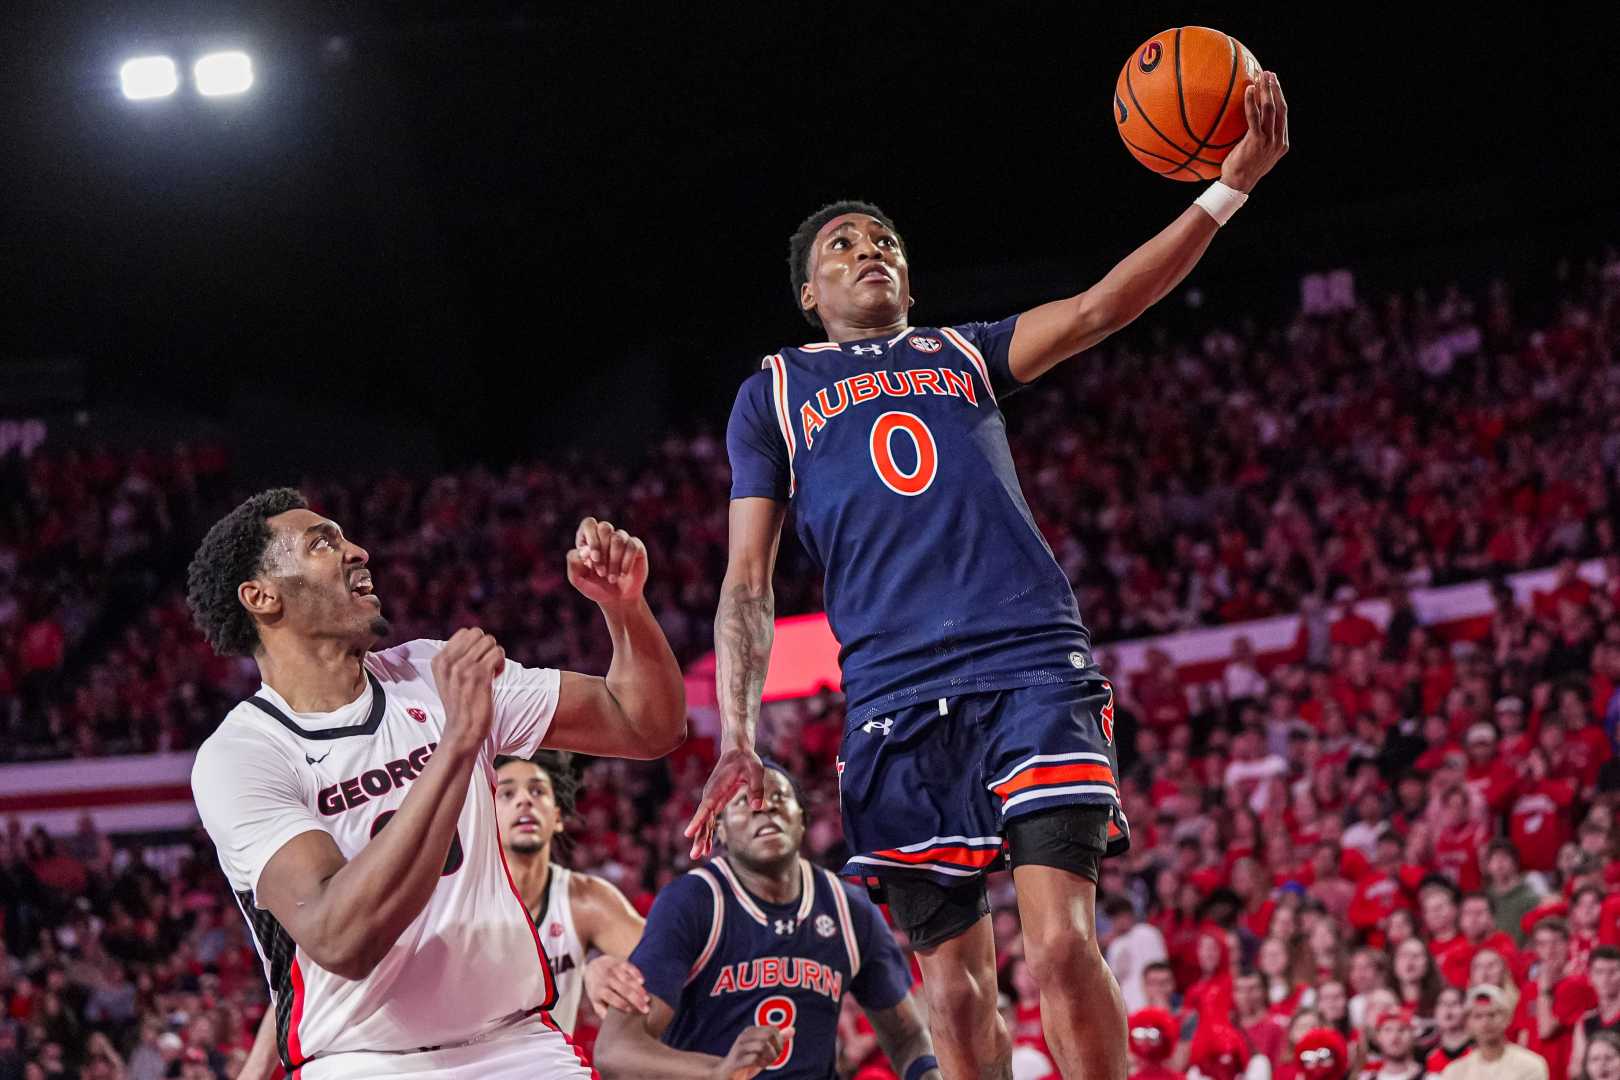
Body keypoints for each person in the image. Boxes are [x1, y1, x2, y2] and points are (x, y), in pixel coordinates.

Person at [685, 70, 1291, 1080]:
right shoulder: (776, 391)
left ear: (910, 284)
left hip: (1030, 666)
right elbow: (748, 584)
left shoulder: (964, 352)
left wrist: (1225, 189)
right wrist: (738, 739)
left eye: (885, 244)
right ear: (809, 292)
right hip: (891, 698)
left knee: (1058, 944)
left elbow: (1101, 307)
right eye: (842, 246)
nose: (868, 252)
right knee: (956, 1002)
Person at [185, 490, 686, 1079]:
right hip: (362, 1062)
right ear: (261, 596)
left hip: (520, 1043)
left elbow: (647, 725)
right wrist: (457, 745)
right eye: (323, 542)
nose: (357, 551)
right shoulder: (242, 754)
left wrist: (624, 609)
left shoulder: (429, 671)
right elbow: (340, 938)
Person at [594, 762, 939, 1080]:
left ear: (801, 819)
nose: (765, 806)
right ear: (721, 831)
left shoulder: (849, 907)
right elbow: (615, 1049)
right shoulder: (693, 901)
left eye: (779, 796)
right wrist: (719, 1072)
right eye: (745, 801)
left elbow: (907, 1036)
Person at [495, 751, 650, 1034]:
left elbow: (667, 967)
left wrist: (600, 966)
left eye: (537, 790)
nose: (524, 800)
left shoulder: (585, 899)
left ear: (557, 817)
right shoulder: (457, 900)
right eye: (506, 793)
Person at [1439, 986, 1548, 1080]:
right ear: (1468, 1023)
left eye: (1492, 1015)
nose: (1485, 1022)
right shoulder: (1454, 1072)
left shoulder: (1530, 1065)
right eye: (1478, 1016)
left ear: (1507, 1019)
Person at [1108, 897, 1170, 1012]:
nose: (1119, 921)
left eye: (1123, 915)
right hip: (1128, 1004)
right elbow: (1114, 982)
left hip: (1155, 998)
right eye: (1115, 917)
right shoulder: (1115, 946)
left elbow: (1163, 967)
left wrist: (1160, 992)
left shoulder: (1149, 932)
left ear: (1131, 915)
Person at [1572, 947, 1620, 1078]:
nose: (1606, 978)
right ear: (1590, 976)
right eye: (1599, 972)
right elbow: (1576, 1069)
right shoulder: (1585, 1021)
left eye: (1613, 971)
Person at [1422, 988, 1471, 1076]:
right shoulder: (1427, 1053)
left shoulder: (1477, 1048)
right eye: (1443, 1004)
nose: (1448, 1010)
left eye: (1454, 1003)